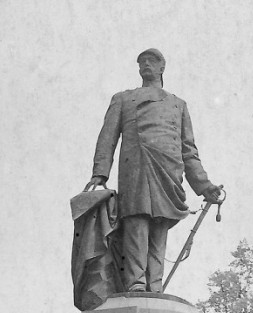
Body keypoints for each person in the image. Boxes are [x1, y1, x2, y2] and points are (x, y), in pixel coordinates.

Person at [85, 49, 223, 293]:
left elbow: (189, 151)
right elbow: (107, 138)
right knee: (136, 223)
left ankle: (155, 285)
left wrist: (204, 186)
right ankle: (136, 283)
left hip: (168, 171)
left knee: (159, 226)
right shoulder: (124, 99)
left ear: (162, 68)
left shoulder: (178, 105)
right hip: (136, 168)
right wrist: (100, 172)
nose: (146, 64)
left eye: (152, 61)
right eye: (142, 62)